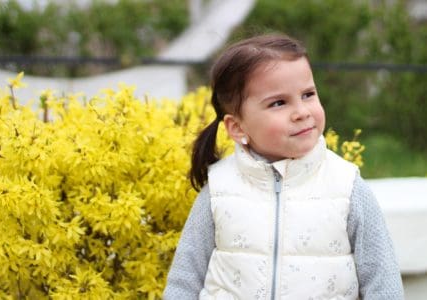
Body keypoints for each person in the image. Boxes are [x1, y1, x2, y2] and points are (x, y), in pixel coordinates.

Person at [163, 34, 403, 299]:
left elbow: (383, 282)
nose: (302, 111)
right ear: (237, 127)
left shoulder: (346, 186)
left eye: (308, 94)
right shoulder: (220, 189)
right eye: (279, 102)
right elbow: (183, 282)